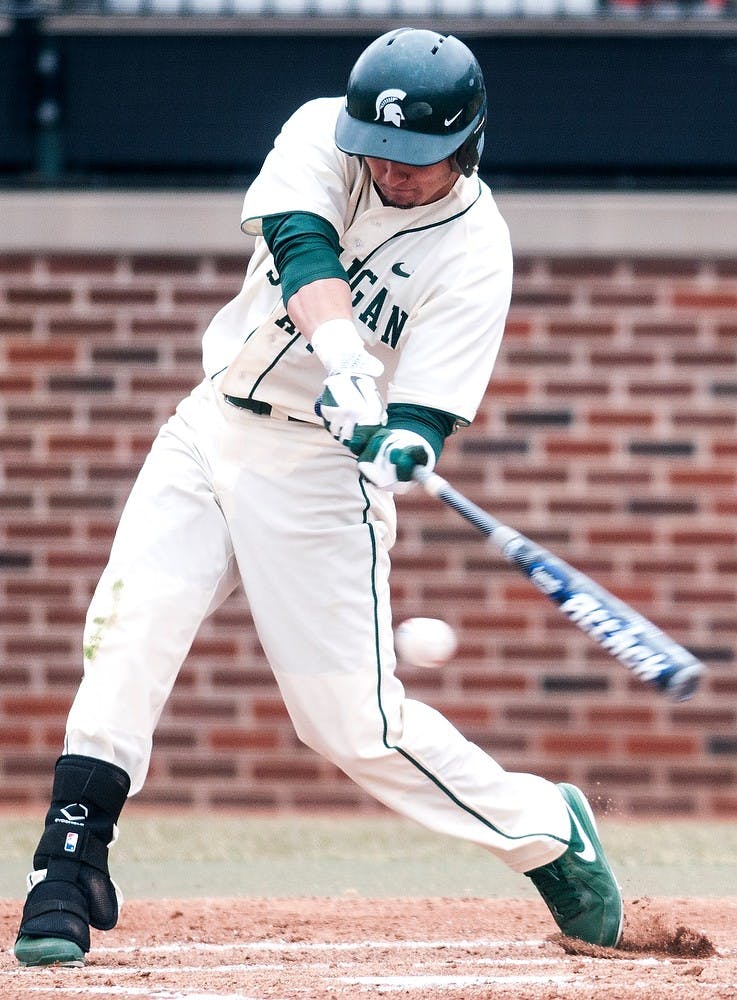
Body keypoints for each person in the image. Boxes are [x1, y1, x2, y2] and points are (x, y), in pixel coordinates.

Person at [14, 27, 623, 968]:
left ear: (467, 145)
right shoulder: (318, 134)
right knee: (130, 630)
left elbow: (425, 411)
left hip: (315, 479)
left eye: (415, 159)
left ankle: (544, 826)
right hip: (208, 427)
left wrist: (397, 446)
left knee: (351, 728)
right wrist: (345, 360)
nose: (388, 170)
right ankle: (69, 863)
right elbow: (301, 248)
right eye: (377, 150)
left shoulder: (476, 250)